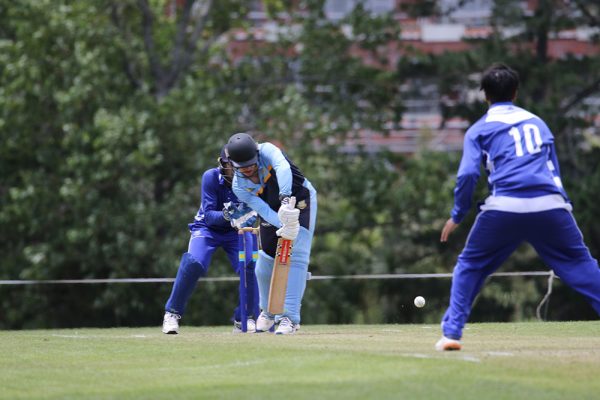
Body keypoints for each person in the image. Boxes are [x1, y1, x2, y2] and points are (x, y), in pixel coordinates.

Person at [437, 63, 600, 351]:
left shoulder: (479, 130)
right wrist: (564, 206)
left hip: (504, 207)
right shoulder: (538, 123)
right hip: (550, 205)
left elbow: (467, 175)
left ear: (485, 95)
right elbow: (553, 169)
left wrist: (458, 215)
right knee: (580, 265)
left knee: (471, 266)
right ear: (515, 93)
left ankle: (452, 334)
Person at [225, 132, 317, 335]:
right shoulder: (239, 186)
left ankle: (289, 318)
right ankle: (267, 312)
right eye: (243, 167)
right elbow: (263, 211)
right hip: (272, 210)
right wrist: (284, 223)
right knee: (264, 262)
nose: (248, 169)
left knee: (297, 255)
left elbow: (283, 168)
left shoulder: (266, 150)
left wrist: (286, 200)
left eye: (251, 163)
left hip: (300, 199)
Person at [162, 146, 258, 334]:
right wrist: (228, 214)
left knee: (250, 264)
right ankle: (172, 313)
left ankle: (244, 318)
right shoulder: (211, 177)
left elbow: (253, 212)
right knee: (194, 263)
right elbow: (209, 216)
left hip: (236, 230)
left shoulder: (252, 180)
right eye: (231, 166)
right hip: (207, 229)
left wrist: (248, 216)